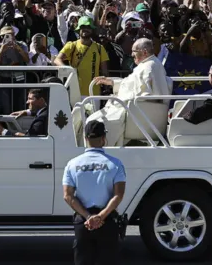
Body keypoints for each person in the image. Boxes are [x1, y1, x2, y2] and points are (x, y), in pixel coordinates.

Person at [62, 119, 127, 265]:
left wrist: (88, 217)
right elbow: (118, 195)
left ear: (85, 139)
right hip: (107, 220)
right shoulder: (115, 164)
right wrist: (100, 217)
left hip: (83, 221)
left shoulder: (72, 164)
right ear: (104, 138)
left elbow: (68, 195)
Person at [88, 38, 169, 146]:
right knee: (93, 119)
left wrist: (118, 98)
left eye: (134, 51)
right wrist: (111, 82)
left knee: (95, 123)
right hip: (130, 108)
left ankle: (97, 150)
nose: (131, 54)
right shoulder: (148, 64)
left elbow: (145, 95)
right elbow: (131, 84)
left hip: (133, 111)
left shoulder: (149, 67)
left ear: (144, 52)